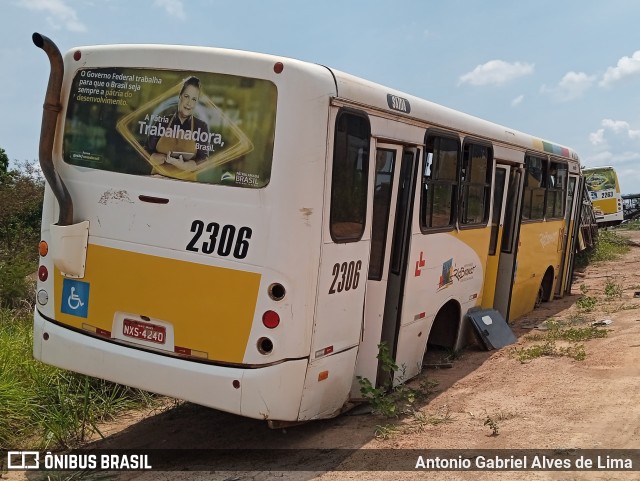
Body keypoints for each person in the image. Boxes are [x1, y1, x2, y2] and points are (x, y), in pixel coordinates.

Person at [147, 76, 210, 172]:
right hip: (158, 180)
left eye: (194, 99)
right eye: (186, 96)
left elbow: (203, 159)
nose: (189, 103)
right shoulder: (162, 122)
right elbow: (147, 149)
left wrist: (184, 165)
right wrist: (153, 157)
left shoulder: (201, 126)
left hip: (186, 184)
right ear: (180, 96)